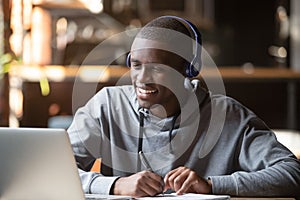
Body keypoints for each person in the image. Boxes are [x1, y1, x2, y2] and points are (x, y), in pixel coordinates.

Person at [67, 16, 300, 198]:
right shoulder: (106, 106)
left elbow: (292, 173)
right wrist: (115, 185)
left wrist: (211, 185)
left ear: (188, 70)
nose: (142, 78)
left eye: (158, 68)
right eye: (136, 65)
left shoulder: (228, 116)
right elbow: (53, 172)